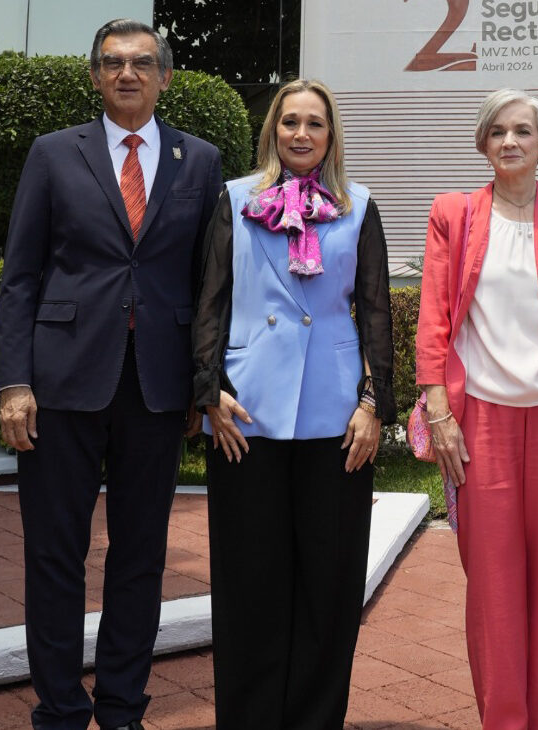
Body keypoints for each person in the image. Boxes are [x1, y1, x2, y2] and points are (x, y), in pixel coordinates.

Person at [0, 18, 222, 730]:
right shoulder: (53, 153)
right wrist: (13, 382)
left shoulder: (200, 160)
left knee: (140, 555)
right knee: (55, 554)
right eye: (114, 63)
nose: (128, 73)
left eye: (142, 63)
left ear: (165, 77)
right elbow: (20, 277)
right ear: (95, 75)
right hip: (59, 385)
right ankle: (60, 709)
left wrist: (203, 384)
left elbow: (209, 285)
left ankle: (122, 707)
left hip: (157, 387)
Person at [192, 78, 395, 728]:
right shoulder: (234, 200)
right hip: (246, 415)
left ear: (331, 135)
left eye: (315, 123)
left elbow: (375, 309)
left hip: (336, 418)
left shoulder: (358, 206)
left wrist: (374, 404)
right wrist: (209, 394)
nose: (301, 134)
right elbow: (210, 301)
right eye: (290, 122)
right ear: (272, 131)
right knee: (249, 582)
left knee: (329, 585)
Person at [416, 89, 538, 729]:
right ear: (482, 143)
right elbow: (434, 317)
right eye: (497, 131)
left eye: (523, 131)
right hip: (479, 422)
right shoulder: (454, 212)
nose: (510, 141)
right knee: (493, 587)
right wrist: (438, 411)